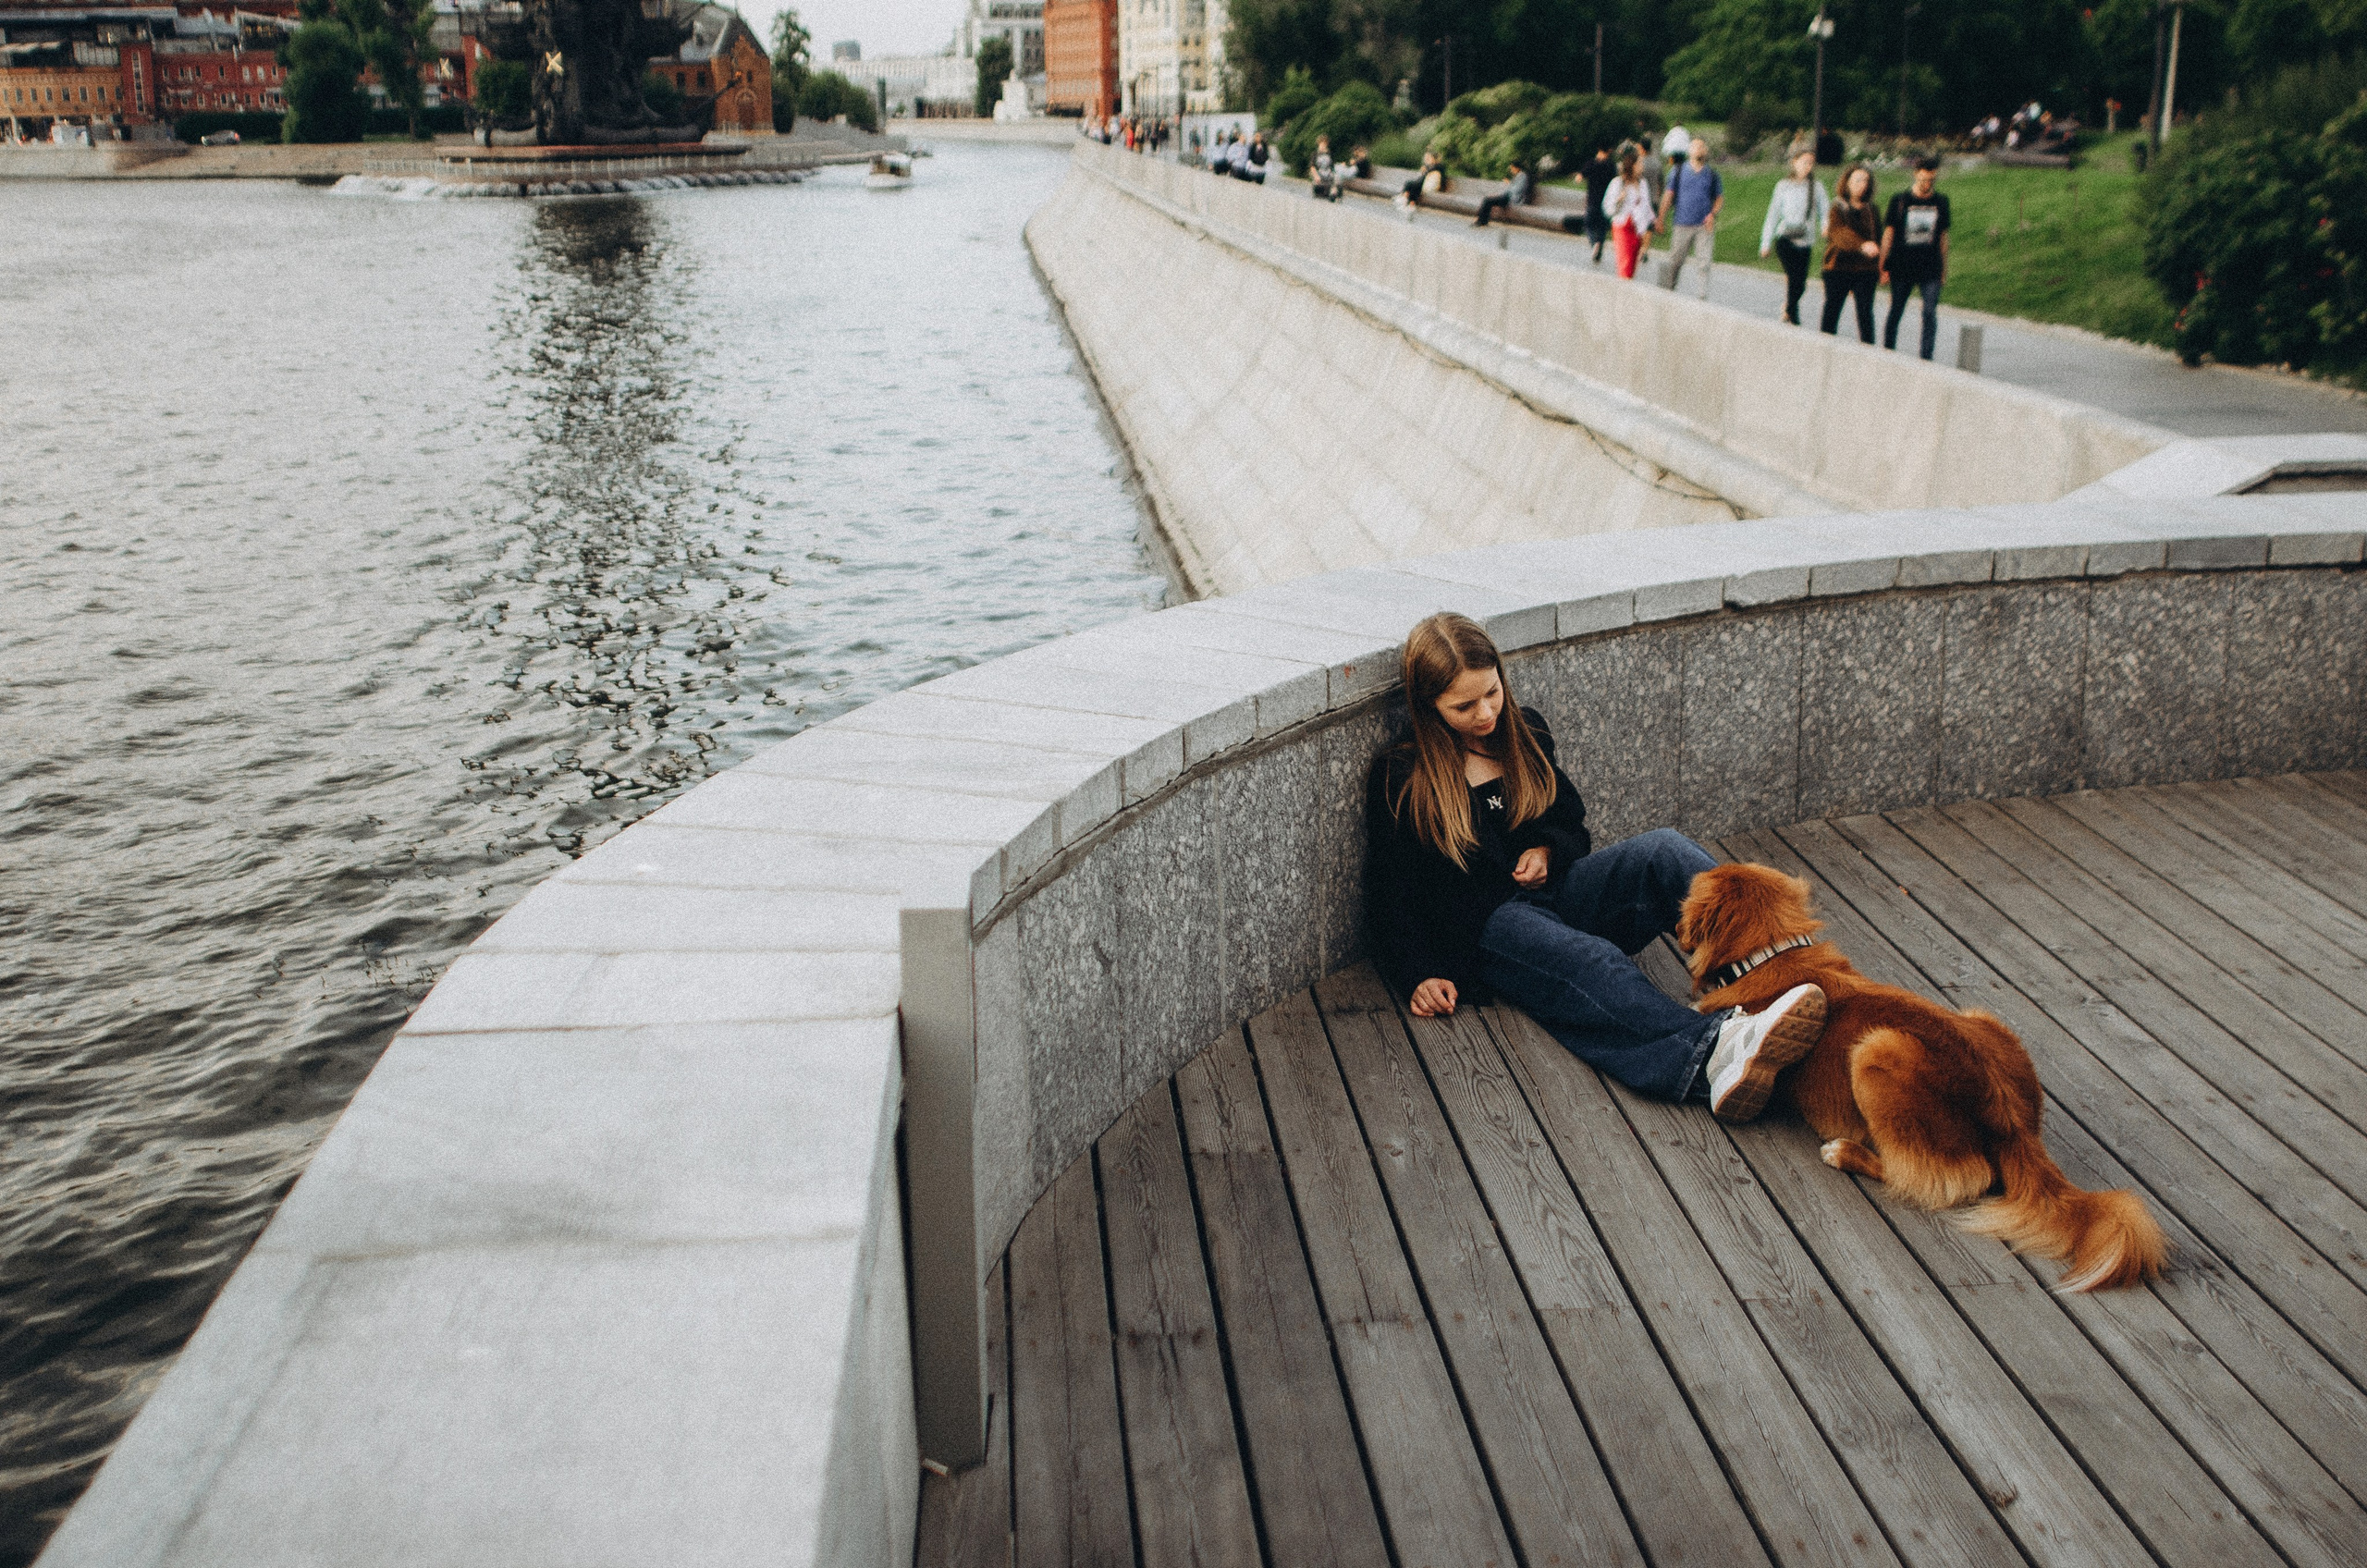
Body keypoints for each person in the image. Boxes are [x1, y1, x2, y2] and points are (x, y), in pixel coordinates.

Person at [1366, 613, 1829, 1119]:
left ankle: (1776, 973)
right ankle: (1714, 1057)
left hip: (1555, 896)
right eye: (1464, 705)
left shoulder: (1526, 733)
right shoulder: (1403, 777)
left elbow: (1570, 822)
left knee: (1664, 849)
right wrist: (1417, 974)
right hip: (1487, 934)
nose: (1485, 713)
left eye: (1492, 693)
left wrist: (1548, 850)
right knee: (1593, 960)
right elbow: (1389, 891)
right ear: (1429, 706)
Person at [1881, 154, 1952, 359]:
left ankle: (1926, 356)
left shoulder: (1941, 202)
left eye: (1931, 180)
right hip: (1902, 265)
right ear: (1915, 175)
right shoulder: (1900, 200)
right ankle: (1888, 351)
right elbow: (1888, 235)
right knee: (1896, 310)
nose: (1927, 184)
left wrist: (1943, 270)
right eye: (1923, 180)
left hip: (1930, 267)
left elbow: (1943, 239)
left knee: (1930, 312)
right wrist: (1882, 266)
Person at [1759, 146, 1829, 325]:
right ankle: (1793, 315)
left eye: (1811, 163)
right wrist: (1765, 243)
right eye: (1804, 162)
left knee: (1801, 283)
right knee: (1793, 277)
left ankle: (1788, 308)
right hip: (1785, 239)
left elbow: (1825, 210)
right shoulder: (1783, 186)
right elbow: (1773, 214)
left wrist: (1825, 226)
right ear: (1795, 162)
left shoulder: (1816, 187)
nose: (1808, 166)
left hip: (1805, 240)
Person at [1819, 163, 1882, 342]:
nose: (1863, 184)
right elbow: (1839, 233)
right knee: (1832, 310)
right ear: (1847, 183)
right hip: (1838, 266)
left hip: (1865, 270)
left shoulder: (1871, 210)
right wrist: (1862, 245)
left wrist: (1882, 264)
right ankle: (1825, 346)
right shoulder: (1837, 208)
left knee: (1865, 314)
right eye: (1858, 180)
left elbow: (1879, 236)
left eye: (1866, 181)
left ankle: (1869, 352)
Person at [1657, 135, 1723, 298]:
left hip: (1703, 225)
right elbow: (1668, 196)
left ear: (1706, 151)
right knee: (1675, 261)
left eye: (1702, 146)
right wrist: (1661, 219)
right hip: (1682, 223)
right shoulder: (1678, 171)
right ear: (1689, 151)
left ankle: (1702, 294)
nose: (1700, 149)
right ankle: (1668, 290)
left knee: (1704, 261)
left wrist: (1712, 215)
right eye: (1696, 146)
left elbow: (1719, 199)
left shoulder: (1712, 175)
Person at [1601, 146, 1657, 279]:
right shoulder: (1618, 183)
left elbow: (1646, 205)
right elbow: (1607, 208)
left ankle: (1626, 289)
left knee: (1632, 265)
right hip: (1623, 226)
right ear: (1631, 165)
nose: (1642, 166)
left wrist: (1654, 220)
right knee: (1624, 264)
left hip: (1638, 227)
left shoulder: (1642, 184)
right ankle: (1623, 292)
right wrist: (1619, 200)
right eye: (1639, 164)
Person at [1580, 145, 1617, 263]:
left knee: (1588, 224)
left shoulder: (1591, 164)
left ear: (1599, 150)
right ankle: (1599, 249)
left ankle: (1594, 243)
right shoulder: (1611, 165)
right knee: (1602, 228)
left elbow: (1580, 177)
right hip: (1606, 201)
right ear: (1609, 151)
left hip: (1592, 200)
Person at [1473, 156, 1533, 227]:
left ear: (1517, 168)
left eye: (1512, 168)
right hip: (1507, 197)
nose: (1511, 170)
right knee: (1488, 200)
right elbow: (1510, 189)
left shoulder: (1523, 177)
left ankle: (1481, 221)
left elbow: (1516, 190)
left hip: (1511, 199)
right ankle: (1482, 221)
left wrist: (1509, 183)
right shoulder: (1518, 176)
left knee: (1488, 200)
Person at [1395, 148, 1445, 216]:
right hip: (1425, 185)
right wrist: (1426, 169)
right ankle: (1410, 204)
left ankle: (1405, 198)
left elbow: (1433, 174)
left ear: (1434, 158)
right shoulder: (1430, 167)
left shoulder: (1439, 166)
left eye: (1429, 158)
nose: (1427, 160)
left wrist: (1426, 170)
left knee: (1412, 184)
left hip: (1432, 187)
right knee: (1414, 186)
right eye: (1426, 158)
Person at [1310, 134, 1341, 200]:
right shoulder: (1315, 154)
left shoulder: (1330, 154)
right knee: (1319, 187)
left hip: (1328, 172)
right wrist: (1316, 176)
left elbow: (1332, 167)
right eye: (1322, 144)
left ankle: (1333, 193)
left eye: (1325, 144)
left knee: (1336, 180)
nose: (1323, 146)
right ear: (1319, 144)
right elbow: (1312, 167)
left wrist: (1334, 174)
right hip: (1319, 172)